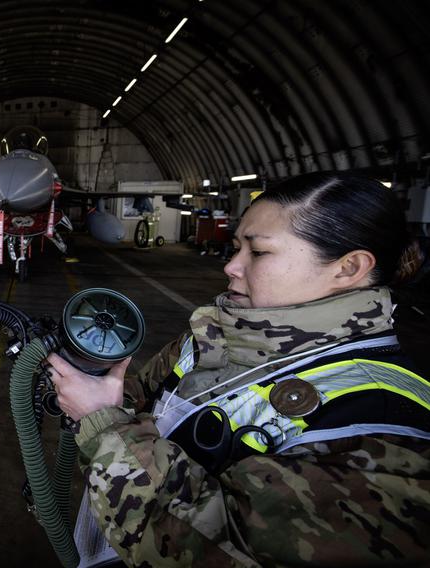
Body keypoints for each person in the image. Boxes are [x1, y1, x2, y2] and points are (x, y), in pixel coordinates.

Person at [47, 171, 429, 565]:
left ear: (349, 268)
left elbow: (217, 552)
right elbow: (141, 398)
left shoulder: (382, 424)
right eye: (235, 248)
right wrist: (92, 387)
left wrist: (104, 425)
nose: (231, 266)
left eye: (258, 252)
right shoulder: (215, 337)